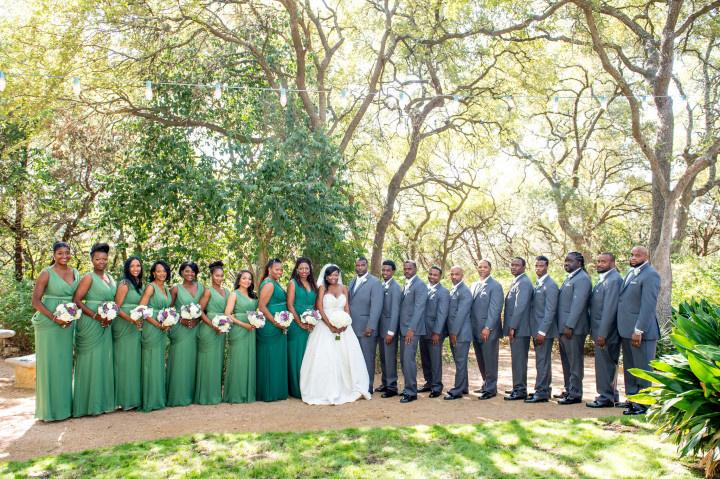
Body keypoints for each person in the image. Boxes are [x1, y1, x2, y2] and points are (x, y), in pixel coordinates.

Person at [300, 264, 371, 405]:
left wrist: (346, 322)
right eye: (330, 275)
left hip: (344, 329)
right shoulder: (322, 288)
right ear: (326, 276)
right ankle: (325, 390)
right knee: (327, 357)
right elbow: (319, 307)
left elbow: (346, 308)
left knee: (346, 357)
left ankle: (351, 387)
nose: (333, 277)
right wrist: (330, 325)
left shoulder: (344, 288)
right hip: (325, 327)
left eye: (336, 274)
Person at [31, 241, 79, 421]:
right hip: (49, 323)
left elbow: (77, 298)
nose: (64, 256)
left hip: (67, 323)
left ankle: (64, 409)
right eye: (60, 253)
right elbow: (35, 301)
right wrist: (54, 317)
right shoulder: (46, 273)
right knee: (49, 364)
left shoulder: (75, 272)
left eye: (67, 252)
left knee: (65, 364)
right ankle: (48, 410)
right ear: (54, 255)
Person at [72, 242, 116, 417]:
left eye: (104, 259)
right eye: (98, 259)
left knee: (103, 362)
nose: (101, 262)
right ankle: (86, 405)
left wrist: (109, 315)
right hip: (91, 322)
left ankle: (103, 402)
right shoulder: (88, 277)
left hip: (106, 323)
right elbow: (77, 300)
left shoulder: (110, 278)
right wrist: (95, 316)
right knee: (90, 361)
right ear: (91, 260)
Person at [617, 246, 661, 416]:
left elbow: (648, 306)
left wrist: (639, 330)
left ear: (646, 256)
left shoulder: (651, 275)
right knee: (630, 368)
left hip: (642, 332)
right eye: (632, 254)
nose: (634, 257)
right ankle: (632, 399)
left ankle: (643, 405)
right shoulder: (630, 273)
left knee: (642, 369)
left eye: (638, 255)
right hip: (626, 330)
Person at [587, 253, 623, 409]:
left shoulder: (613, 280)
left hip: (607, 332)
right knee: (606, 364)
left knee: (605, 364)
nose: (600, 264)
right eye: (598, 261)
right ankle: (610, 394)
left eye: (604, 261)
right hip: (601, 330)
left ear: (613, 263)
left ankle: (605, 397)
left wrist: (602, 333)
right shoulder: (605, 279)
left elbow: (609, 309)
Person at [556, 252, 592, 405]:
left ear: (579, 262)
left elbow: (578, 305)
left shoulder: (582, 278)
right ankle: (569, 388)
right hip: (564, 328)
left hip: (573, 329)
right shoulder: (571, 277)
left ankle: (575, 393)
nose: (566, 263)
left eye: (569, 261)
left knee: (574, 361)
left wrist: (569, 325)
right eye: (565, 260)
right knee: (566, 361)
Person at [138, 260, 173, 412]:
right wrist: (157, 324)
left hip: (162, 328)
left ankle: (158, 399)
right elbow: (142, 309)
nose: (162, 273)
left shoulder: (165, 288)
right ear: (153, 273)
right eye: (159, 271)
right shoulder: (151, 287)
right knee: (150, 362)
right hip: (152, 327)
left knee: (158, 362)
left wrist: (168, 321)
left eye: (164, 271)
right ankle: (149, 401)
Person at [167, 262, 203, 407]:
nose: (190, 274)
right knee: (179, 361)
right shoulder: (175, 289)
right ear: (181, 272)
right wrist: (180, 319)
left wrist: (197, 319)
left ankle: (192, 395)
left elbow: (204, 309)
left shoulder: (202, 288)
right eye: (187, 271)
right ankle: (177, 396)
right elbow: (167, 309)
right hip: (180, 328)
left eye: (193, 271)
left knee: (193, 361)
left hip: (196, 329)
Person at [525, 256, 559, 404]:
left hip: (543, 332)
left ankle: (542, 392)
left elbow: (550, 310)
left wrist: (542, 331)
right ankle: (543, 389)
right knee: (541, 361)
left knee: (542, 361)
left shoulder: (550, 285)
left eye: (541, 266)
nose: (538, 268)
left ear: (547, 266)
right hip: (537, 330)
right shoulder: (539, 283)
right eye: (536, 266)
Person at [348, 256, 384, 395]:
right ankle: (357, 385)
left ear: (366, 266)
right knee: (356, 358)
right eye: (357, 265)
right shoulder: (352, 281)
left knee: (368, 357)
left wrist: (371, 325)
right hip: (351, 327)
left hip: (366, 328)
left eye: (362, 265)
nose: (360, 268)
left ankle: (368, 386)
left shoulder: (375, 282)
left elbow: (377, 306)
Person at [195, 261, 228, 405]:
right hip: (209, 329)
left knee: (217, 362)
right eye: (216, 276)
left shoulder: (227, 292)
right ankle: (205, 396)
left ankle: (215, 395)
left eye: (221, 276)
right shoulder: (208, 291)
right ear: (211, 276)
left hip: (221, 330)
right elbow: (199, 310)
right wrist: (211, 324)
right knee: (207, 362)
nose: (219, 278)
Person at [470, 259, 504, 400]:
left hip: (488, 330)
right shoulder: (475, 285)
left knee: (490, 360)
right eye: (480, 267)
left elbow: (495, 309)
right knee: (481, 359)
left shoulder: (495, 286)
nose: (482, 269)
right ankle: (485, 384)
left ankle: (491, 389)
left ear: (490, 269)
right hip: (475, 329)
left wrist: (488, 327)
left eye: (485, 267)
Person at [113, 256, 144, 410]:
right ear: (127, 268)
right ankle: (122, 400)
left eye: (138, 266)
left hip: (135, 324)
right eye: (132, 266)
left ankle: (133, 398)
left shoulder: (139, 284)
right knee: (124, 361)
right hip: (124, 324)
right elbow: (116, 308)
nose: (136, 269)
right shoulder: (124, 284)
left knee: (133, 361)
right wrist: (131, 320)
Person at [223, 270, 258, 403]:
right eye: (244, 278)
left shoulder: (253, 296)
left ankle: (248, 393)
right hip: (239, 329)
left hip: (251, 330)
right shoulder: (234, 294)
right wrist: (243, 324)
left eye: (249, 279)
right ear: (239, 280)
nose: (247, 281)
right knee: (238, 360)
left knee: (249, 360)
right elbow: (227, 314)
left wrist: (256, 321)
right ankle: (235, 394)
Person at [257, 258, 289, 402]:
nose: (280, 272)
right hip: (271, 326)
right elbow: (262, 306)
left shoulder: (274, 282)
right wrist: (275, 322)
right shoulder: (269, 284)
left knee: (276, 358)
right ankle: (269, 393)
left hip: (278, 324)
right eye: (277, 269)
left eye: (281, 269)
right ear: (269, 269)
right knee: (270, 358)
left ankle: (277, 391)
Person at [286, 257, 318, 399]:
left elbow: (316, 304)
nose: (304, 271)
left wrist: (314, 319)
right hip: (296, 323)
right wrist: (299, 322)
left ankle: (309, 385)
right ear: (297, 270)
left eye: (306, 268)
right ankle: (297, 388)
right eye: (301, 268)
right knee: (297, 354)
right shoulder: (293, 283)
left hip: (311, 323)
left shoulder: (313, 284)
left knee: (309, 354)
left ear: (310, 269)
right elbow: (290, 305)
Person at [503, 257, 534, 401]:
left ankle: (520, 389)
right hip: (517, 328)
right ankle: (517, 386)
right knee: (516, 360)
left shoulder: (524, 283)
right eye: (512, 264)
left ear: (524, 267)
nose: (514, 267)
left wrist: (513, 326)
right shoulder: (518, 281)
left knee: (519, 360)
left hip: (520, 329)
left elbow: (519, 307)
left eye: (517, 265)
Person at [398, 260, 427, 403]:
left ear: (415, 269)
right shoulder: (407, 283)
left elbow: (419, 309)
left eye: (409, 268)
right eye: (405, 268)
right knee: (404, 360)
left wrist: (411, 329)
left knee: (408, 360)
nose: (407, 270)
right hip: (403, 329)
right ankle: (408, 387)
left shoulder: (420, 285)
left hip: (411, 330)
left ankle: (411, 392)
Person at [419, 266, 449, 398]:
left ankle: (437, 386)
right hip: (422, 330)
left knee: (435, 360)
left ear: (440, 277)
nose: (432, 277)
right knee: (425, 358)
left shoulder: (443, 292)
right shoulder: (423, 289)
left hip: (435, 332)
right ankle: (429, 383)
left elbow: (442, 314)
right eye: (430, 274)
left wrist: (437, 332)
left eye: (435, 275)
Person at [444, 266, 473, 400]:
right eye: (452, 274)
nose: (454, 277)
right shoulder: (454, 289)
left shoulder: (465, 291)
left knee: (460, 362)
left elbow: (461, 314)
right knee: (459, 362)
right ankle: (464, 387)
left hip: (460, 333)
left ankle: (457, 390)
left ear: (462, 275)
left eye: (457, 274)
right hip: (455, 333)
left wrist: (454, 333)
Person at [376, 260, 402, 398]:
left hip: (389, 330)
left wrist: (391, 332)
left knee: (390, 358)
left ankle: (392, 387)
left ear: (393, 271)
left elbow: (395, 311)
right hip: (381, 328)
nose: (385, 272)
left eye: (388, 270)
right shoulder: (382, 285)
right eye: (383, 270)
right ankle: (385, 383)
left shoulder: (395, 287)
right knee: (384, 357)